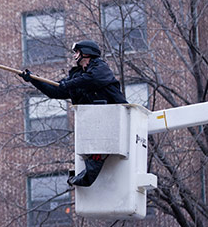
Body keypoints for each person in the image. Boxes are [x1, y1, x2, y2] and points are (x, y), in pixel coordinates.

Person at [19, 39, 127, 187]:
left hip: (111, 122)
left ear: (87, 53)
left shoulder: (100, 67)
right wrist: (33, 80)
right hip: (92, 125)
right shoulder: (77, 76)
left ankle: (90, 171)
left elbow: (92, 79)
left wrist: (67, 84)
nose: (75, 55)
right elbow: (55, 91)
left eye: (77, 52)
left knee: (97, 154)